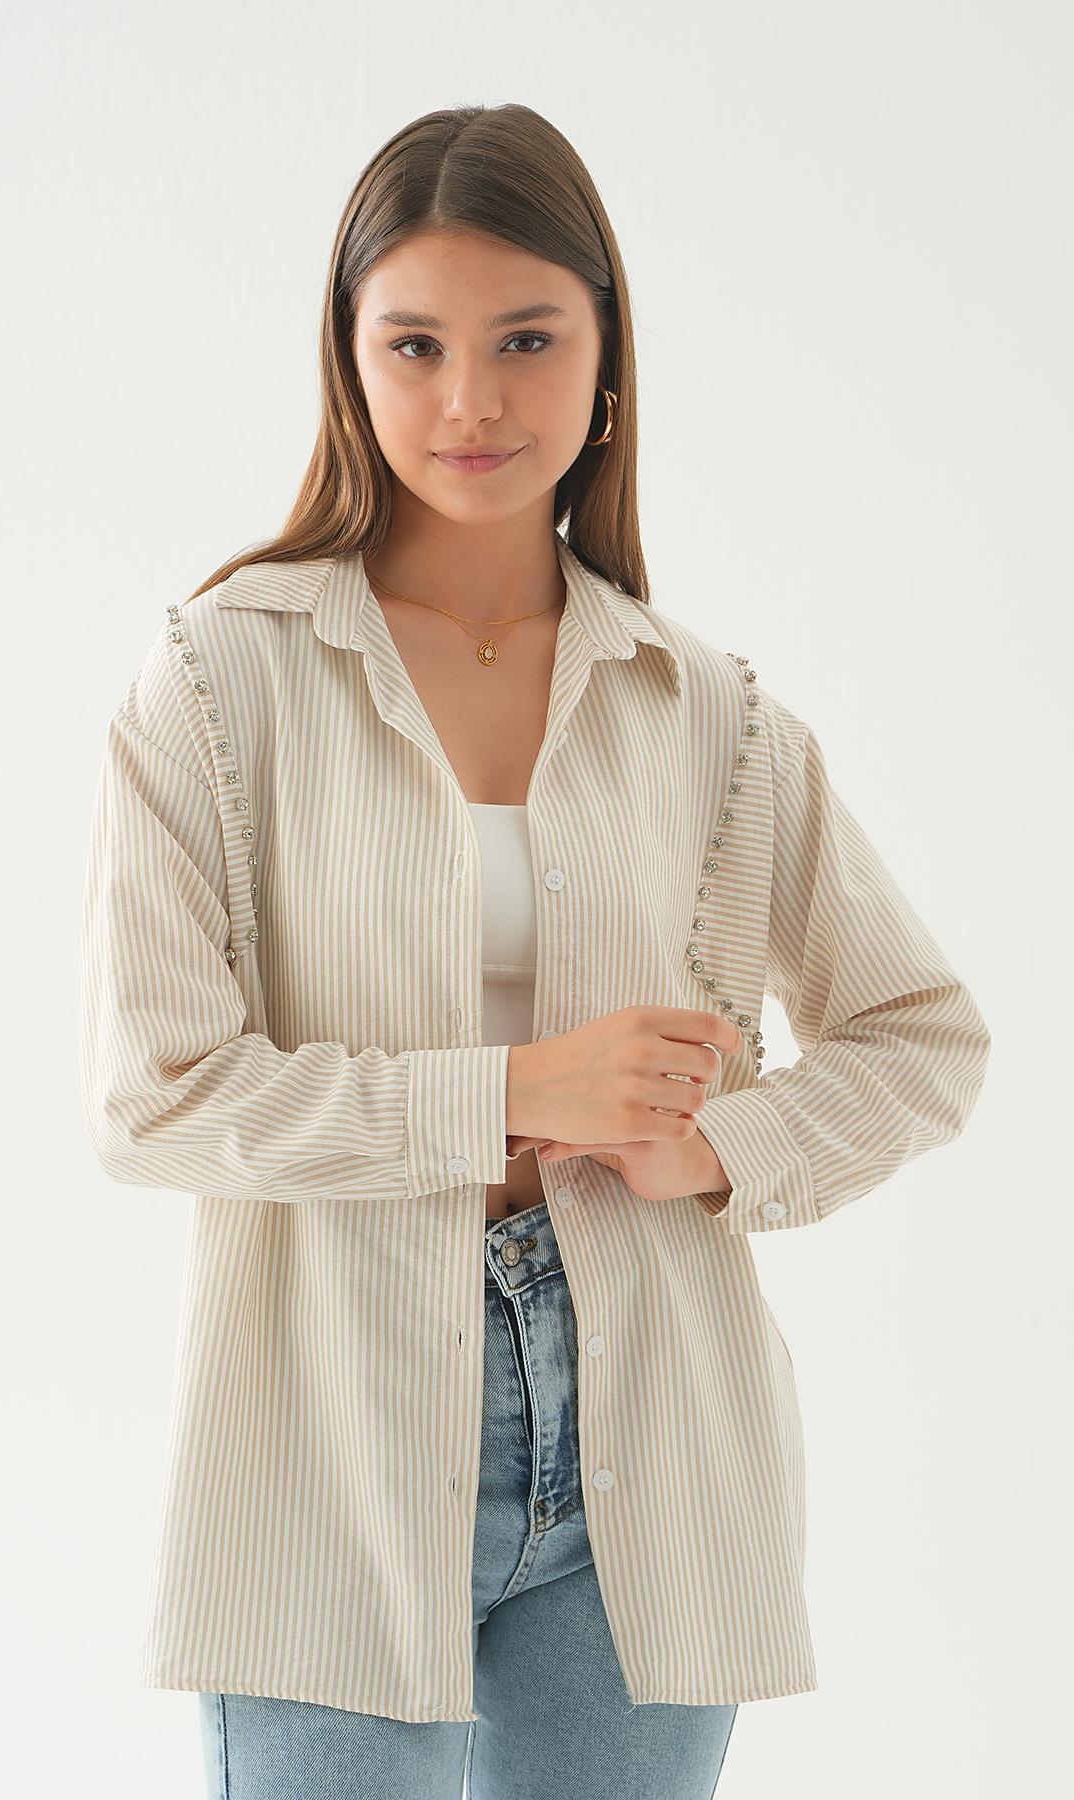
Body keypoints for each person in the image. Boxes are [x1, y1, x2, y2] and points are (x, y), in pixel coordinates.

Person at [79, 102, 992, 1800]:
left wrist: (720, 1147)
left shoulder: (709, 713)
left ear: (607, 358)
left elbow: (921, 1034)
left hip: (657, 1434)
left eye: (526, 340)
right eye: (414, 345)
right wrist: (513, 1091)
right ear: (348, 364)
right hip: (330, 1437)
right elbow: (154, 1099)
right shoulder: (219, 679)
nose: (472, 402)